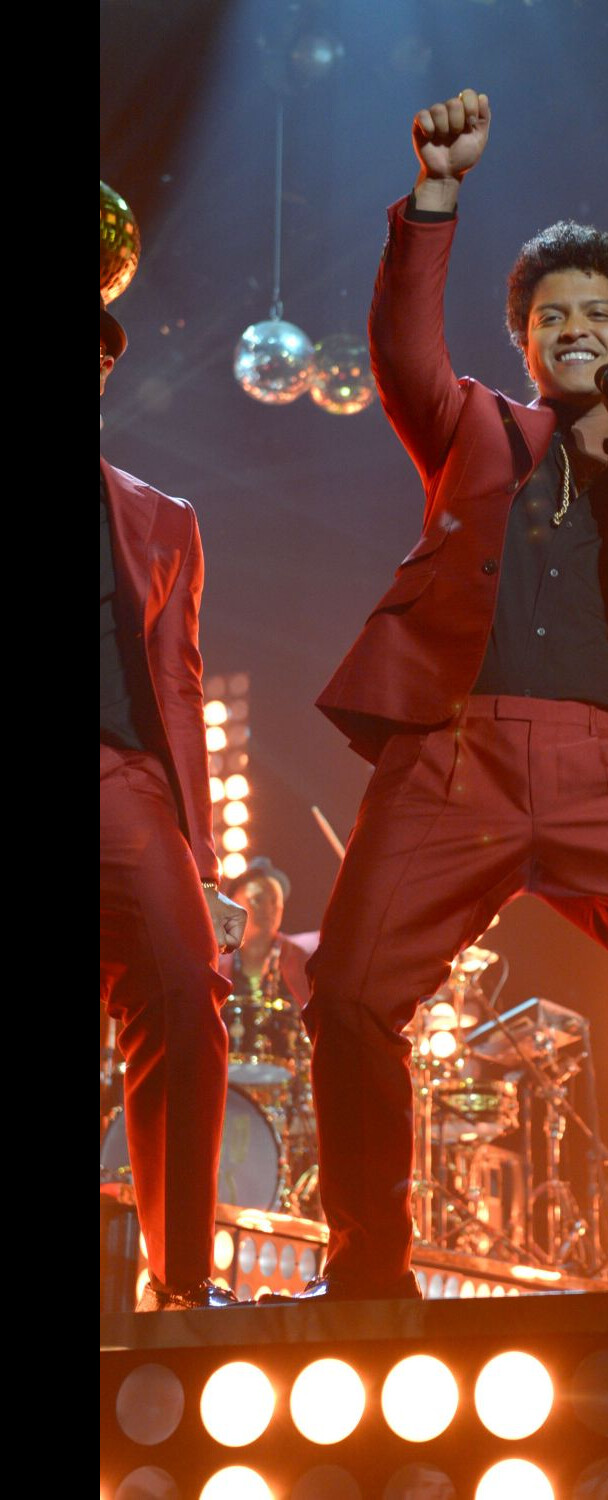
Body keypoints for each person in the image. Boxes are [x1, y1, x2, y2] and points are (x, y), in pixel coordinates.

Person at [293, 89, 608, 1300]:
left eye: (595, 312)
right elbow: (404, 348)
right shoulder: (474, 427)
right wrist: (437, 198)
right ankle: (367, 1275)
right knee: (347, 993)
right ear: (523, 344)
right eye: (550, 313)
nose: (571, 324)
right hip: (455, 757)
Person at [100, 294, 247, 1311]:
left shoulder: (164, 520)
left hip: (122, 781)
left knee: (188, 995)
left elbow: (181, 689)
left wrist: (200, 859)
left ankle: (181, 1283)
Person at [218, 856, 318, 1008]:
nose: (269, 908)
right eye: (258, 899)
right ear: (234, 905)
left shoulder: (305, 958)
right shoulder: (214, 962)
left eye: (275, 900)